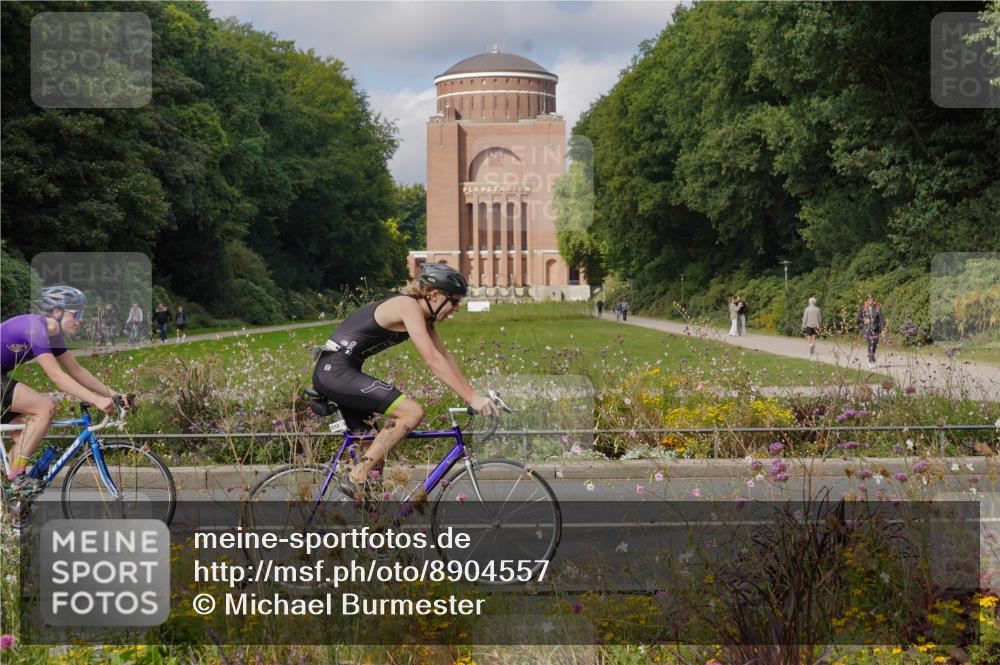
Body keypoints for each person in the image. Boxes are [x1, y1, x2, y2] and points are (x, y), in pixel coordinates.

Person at [310, 264, 499, 498]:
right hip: (335, 372)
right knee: (412, 413)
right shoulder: (407, 306)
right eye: (454, 301)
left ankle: (372, 525)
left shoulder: (423, 317)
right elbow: (431, 359)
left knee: (375, 467)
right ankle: (356, 476)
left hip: (340, 373)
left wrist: (473, 394)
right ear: (435, 296)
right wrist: (471, 398)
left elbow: (444, 356)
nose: (455, 309)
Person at [1, 286, 126, 498]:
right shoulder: (36, 328)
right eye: (76, 313)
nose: (80, 319)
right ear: (56, 312)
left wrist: (114, 394)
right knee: (45, 408)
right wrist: (96, 400)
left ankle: (11, 503)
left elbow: (76, 371)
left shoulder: (54, 335)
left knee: (24, 438)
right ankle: (19, 478)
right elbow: (58, 377)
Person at [857, 293, 885, 369]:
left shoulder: (877, 308)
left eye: (871, 300)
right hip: (867, 329)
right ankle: (870, 361)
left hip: (876, 330)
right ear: (866, 301)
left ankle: (872, 357)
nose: (870, 302)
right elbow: (858, 319)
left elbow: (881, 320)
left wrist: (882, 330)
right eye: (869, 300)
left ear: (874, 301)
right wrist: (864, 320)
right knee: (870, 344)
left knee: (875, 345)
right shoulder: (863, 308)